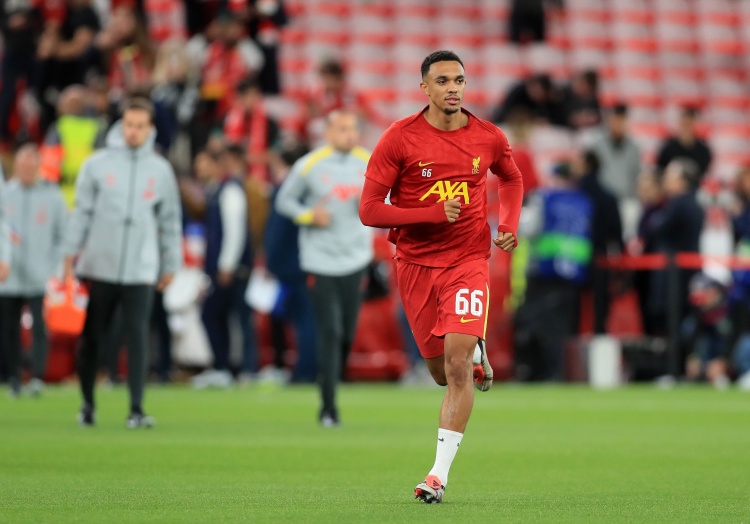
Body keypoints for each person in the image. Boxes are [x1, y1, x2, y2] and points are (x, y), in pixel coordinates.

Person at [358, 50, 523, 503]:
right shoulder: (400, 138)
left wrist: (508, 223)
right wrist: (430, 213)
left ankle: (437, 475)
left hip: (469, 261)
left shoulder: (487, 136)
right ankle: (473, 348)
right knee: (439, 372)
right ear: (424, 88)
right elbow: (369, 210)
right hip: (416, 265)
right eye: (443, 81)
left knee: (456, 366)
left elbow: (511, 178)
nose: (453, 88)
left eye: (459, 80)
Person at [63, 97, 182, 428]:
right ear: (121, 124)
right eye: (129, 125)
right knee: (93, 336)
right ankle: (88, 402)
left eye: (140, 126)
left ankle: (137, 408)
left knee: (138, 336)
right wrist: (69, 254)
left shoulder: (160, 170)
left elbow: (170, 220)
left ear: (150, 128)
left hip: (140, 267)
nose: (133, 132)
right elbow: (81, 213)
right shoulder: (97, 164)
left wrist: (171, 263)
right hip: (101, 264)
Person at [276, 110, 373, 427]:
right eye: (342, 129)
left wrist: (372, 206)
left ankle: (331, 380)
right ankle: (328, 406)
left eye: (353, 128)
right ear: (328, 133)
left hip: (356, 258)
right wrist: (308, 215)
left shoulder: (369, 162)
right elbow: (284, 201)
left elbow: (390, 198)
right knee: (330, 331)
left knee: (346, 334)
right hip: (320, 260)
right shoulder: (309, 165)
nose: (349, 134)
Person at [0, 144, 67, 397]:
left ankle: (38, 375)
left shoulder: (53, 196)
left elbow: (63, 236)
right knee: (9, 329)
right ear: (16, 166)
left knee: (40, 327)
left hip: (41, 275)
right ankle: (15, 377)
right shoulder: (6, 193)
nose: (27, 170)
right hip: (9, 276)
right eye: (23, 165)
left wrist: (54, 268)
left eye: (31, 166)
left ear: (39, 166)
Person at [191, 147, 253, 389]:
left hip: (230, 269)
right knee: (222, 316)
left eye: (203, 163)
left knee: (217, 315)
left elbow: (234, 230)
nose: (198, 168)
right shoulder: (215, 191)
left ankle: (229, 368)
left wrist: (226, 264)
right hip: (221, 268)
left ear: (217, 165)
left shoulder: (229, 191)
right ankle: (226, 367)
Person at [590, 103, 641, 202]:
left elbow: (635, 175)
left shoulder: (634, 148)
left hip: (626, 199)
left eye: (621, 120)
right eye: (615, 120)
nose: (618, 124)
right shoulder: (596, 147)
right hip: (602, 199)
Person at [656, 106, 713, 180]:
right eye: (684, 123)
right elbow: (660, 170)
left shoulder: (702, 150)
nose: (686, 127)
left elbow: (703, 173)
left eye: (689, 124)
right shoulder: (668, 148)